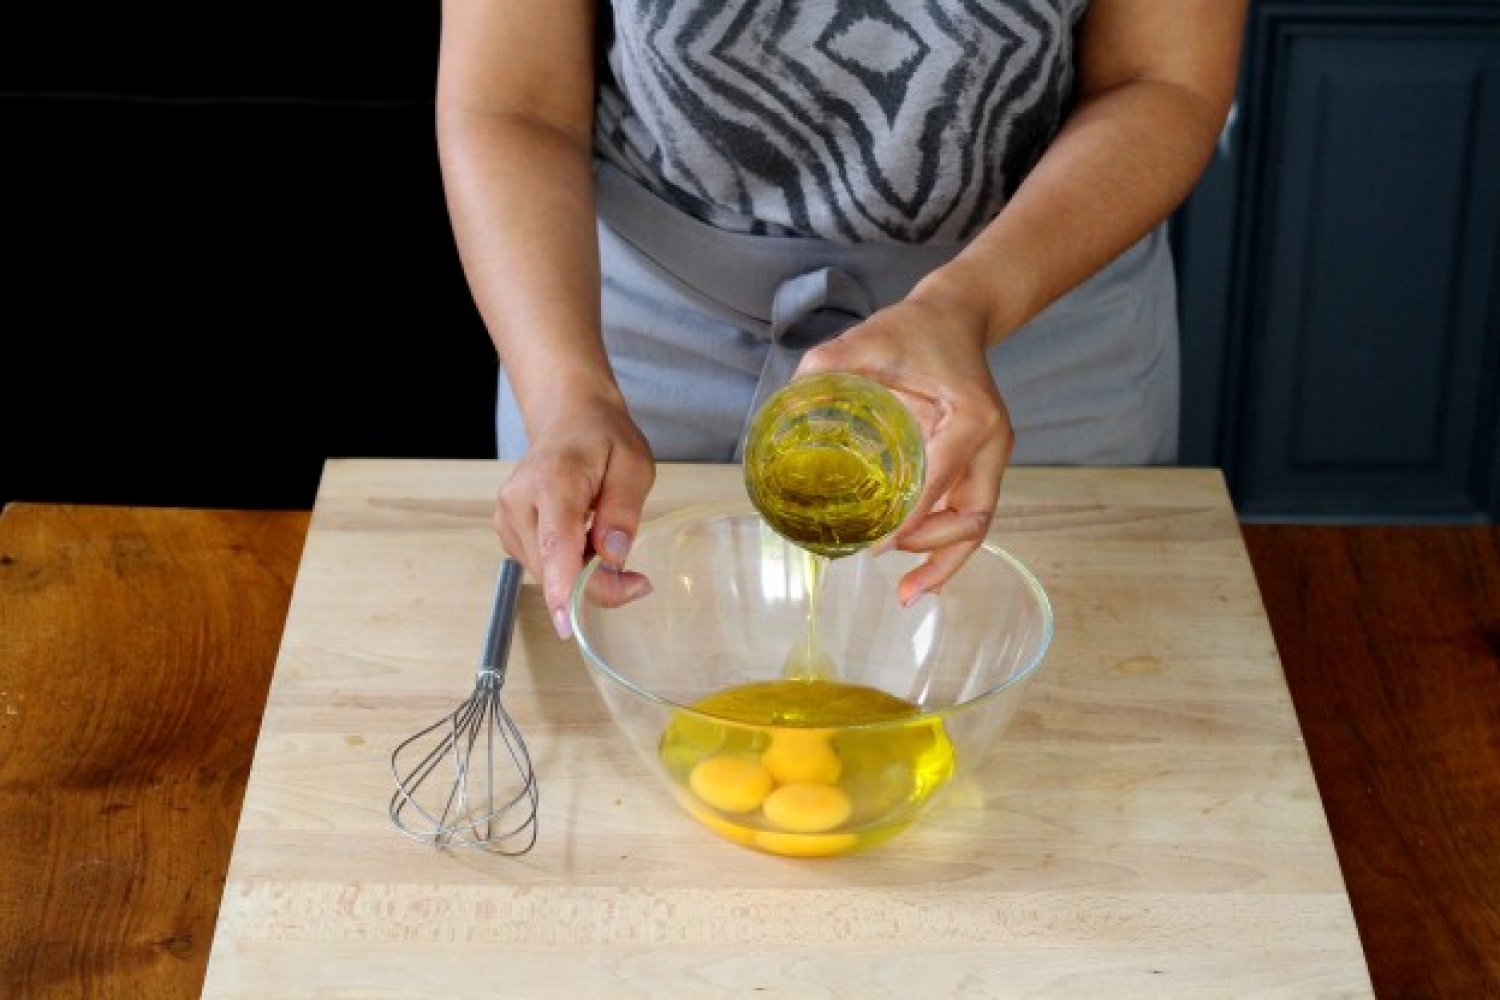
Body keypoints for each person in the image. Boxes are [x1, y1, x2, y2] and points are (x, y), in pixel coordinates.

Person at [436, 0, 1247, 640]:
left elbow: (1161, 78)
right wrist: (570, 397)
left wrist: (966, 302)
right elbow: (513, 102)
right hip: (632, 334)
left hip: (1036, 311)